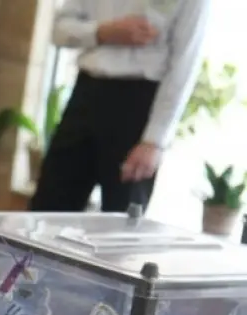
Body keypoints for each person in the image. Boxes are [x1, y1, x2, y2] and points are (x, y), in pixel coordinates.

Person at [29, 0, 211, 212]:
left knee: (122, 218)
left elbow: (184, 65)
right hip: (87, 92)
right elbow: (59, 31)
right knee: (47, 210)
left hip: (140, 105)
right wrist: (104, 32)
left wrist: (154, 141)